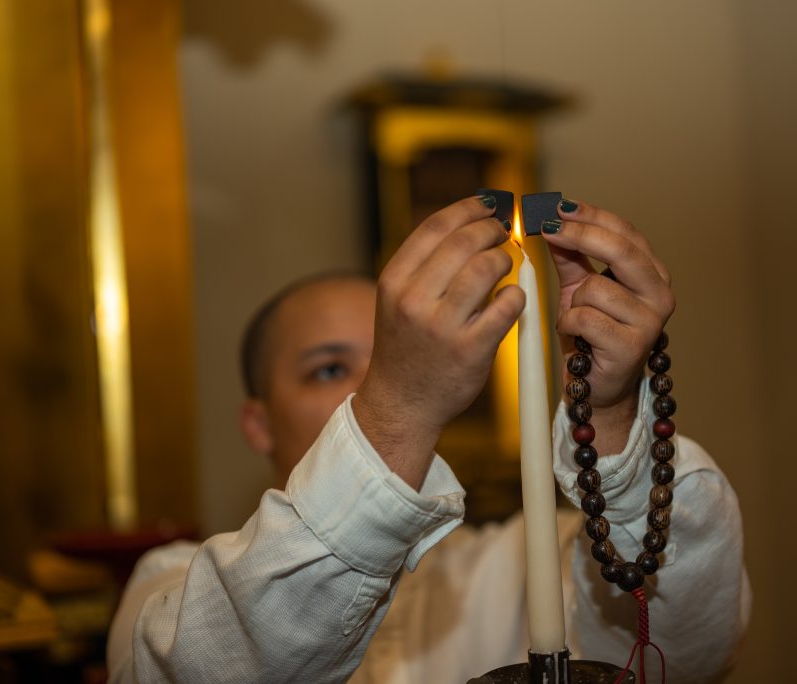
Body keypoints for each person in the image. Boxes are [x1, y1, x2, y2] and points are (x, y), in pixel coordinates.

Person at [106, 196, 750, 683]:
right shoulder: (170, 586)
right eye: (329, 368)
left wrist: (603, 413)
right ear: (258, 423)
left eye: (392, 353)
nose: (371, 381)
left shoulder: (521, 566)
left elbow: (685, 646)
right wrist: (395, 408)